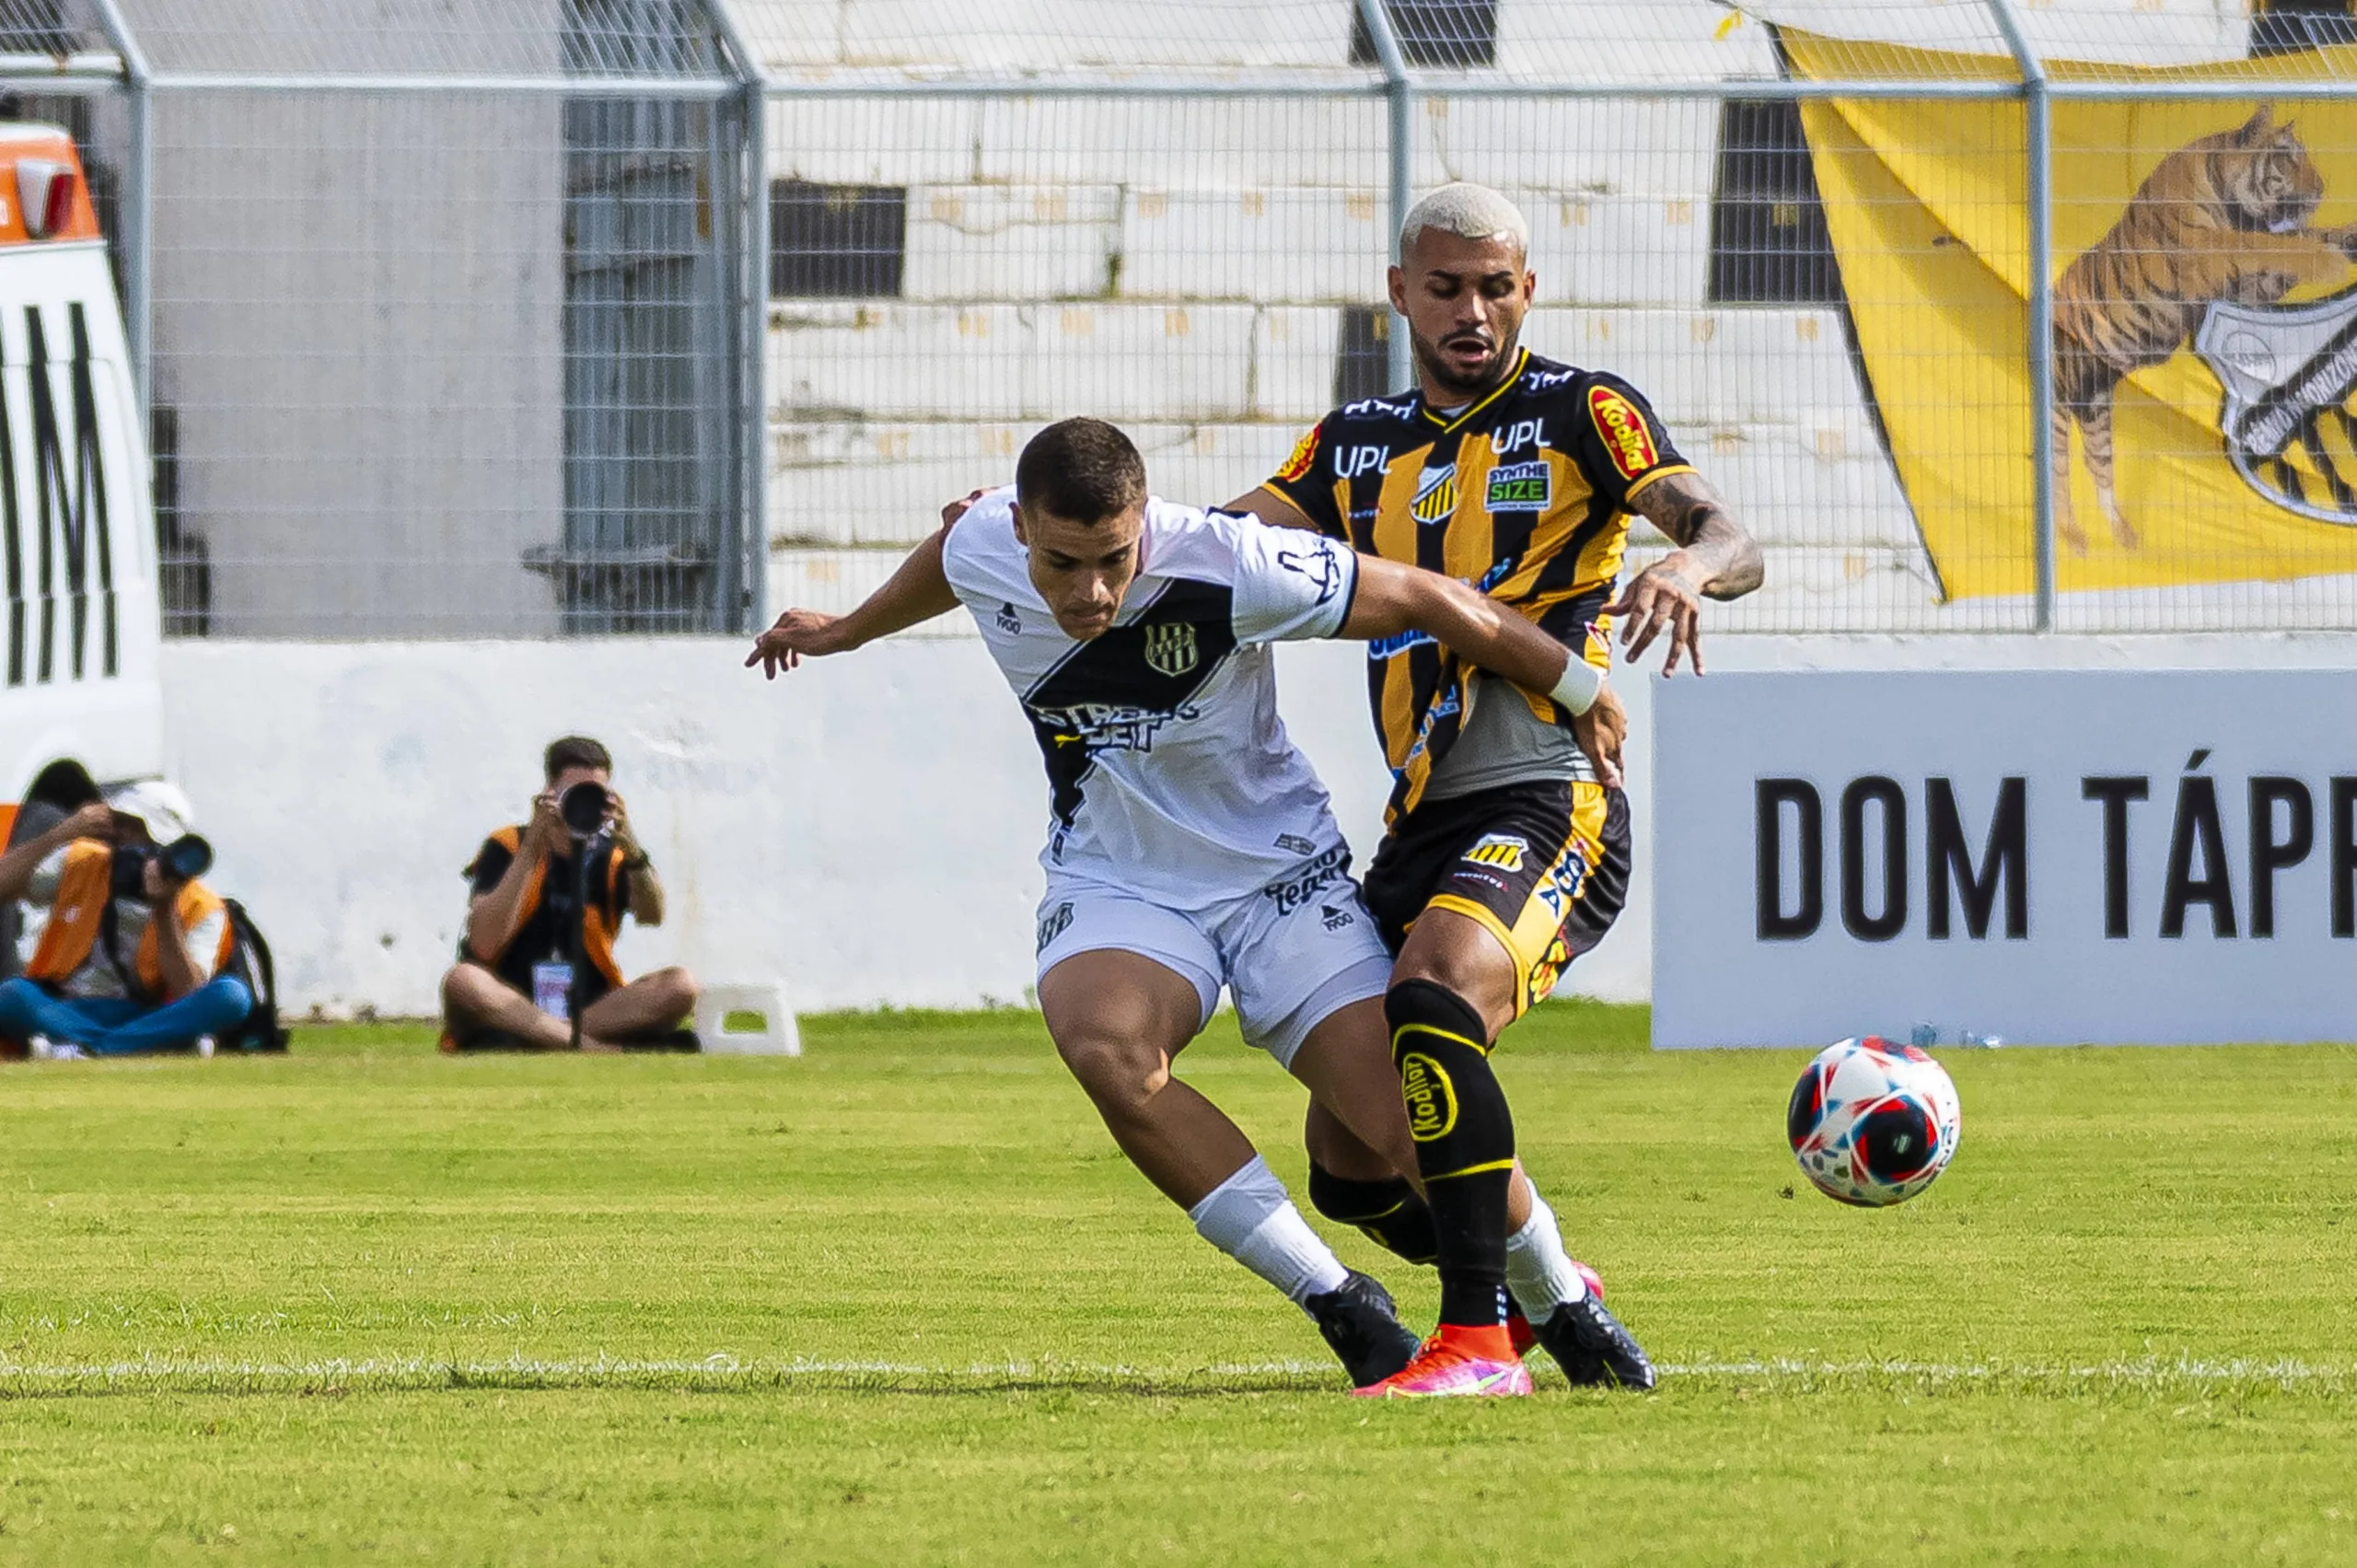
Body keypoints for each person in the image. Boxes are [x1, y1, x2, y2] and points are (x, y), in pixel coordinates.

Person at [750, 417, 1643, 1393]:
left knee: (1399, 1132)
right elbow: (945, 560)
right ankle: (1340, 1303)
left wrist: (1577, 682)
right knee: (1108, 1046)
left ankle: (1561, 1296)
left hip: (1280, 883)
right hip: (1120, 878)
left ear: (1144, 522)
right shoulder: (981, 541)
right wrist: (842, 630)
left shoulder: (1235, 563)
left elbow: (1428, 596)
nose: (1090, 590)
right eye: (1062, 563)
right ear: (1019, 532)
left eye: (1113, 559)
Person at [1224, 181, 1765, 1395]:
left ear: (1530, 287)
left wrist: (1691, 563)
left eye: (1497, 284)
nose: (1474, 309)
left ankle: (1475, 1336)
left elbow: (1730, 529)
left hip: (1548, 789)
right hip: (1420, 817)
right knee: (1348, 1163)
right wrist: (1030, 530)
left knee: (1430, 997)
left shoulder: (1583, 410)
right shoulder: (1349, 441)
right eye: (1449, 285)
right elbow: (1216, 543)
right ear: (1401, 292)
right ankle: (1548, 1294)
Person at [440, 736, 699, 1053]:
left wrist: (631, 846)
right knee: (464, 981)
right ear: (549, 792)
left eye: (595, 795)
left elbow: (652, 915)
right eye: (574, 794)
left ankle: (544, 1039)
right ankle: (597, 1049)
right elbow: (483, 943)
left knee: (681, 985)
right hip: (509, 997)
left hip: (586, 1007)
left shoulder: (614, 858)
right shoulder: (508, 845)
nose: (583, 803)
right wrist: (533, 848)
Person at [0, 782, 254, 1058]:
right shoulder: (83, 862)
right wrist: (61, 834)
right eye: (119, 824)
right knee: (12, 994)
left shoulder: (201, 905)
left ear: (166, 846)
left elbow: (188, 994)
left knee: (232, 996)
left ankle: (87, 1049)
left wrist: (164, 908)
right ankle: (151, 1045)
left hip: (149, 1013)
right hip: (69, 1007)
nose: (122, 837)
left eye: (135, 829)